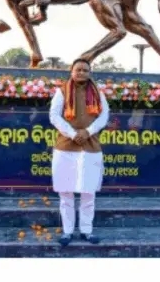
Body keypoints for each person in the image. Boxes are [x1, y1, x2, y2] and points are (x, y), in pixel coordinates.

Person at [48, 58, 110, 246]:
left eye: (85, 70)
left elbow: (104, 116)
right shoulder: (62, 92)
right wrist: (73, 134)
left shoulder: (98, 93)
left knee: (88, 193)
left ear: (90, 72)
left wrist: (87, 132)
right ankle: (67, 232)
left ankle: (86, 231)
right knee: (65, 193)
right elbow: (54, 116)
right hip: (66, 147)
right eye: (78, 69)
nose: (81, 73)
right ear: (71, 71)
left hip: (90, 148)